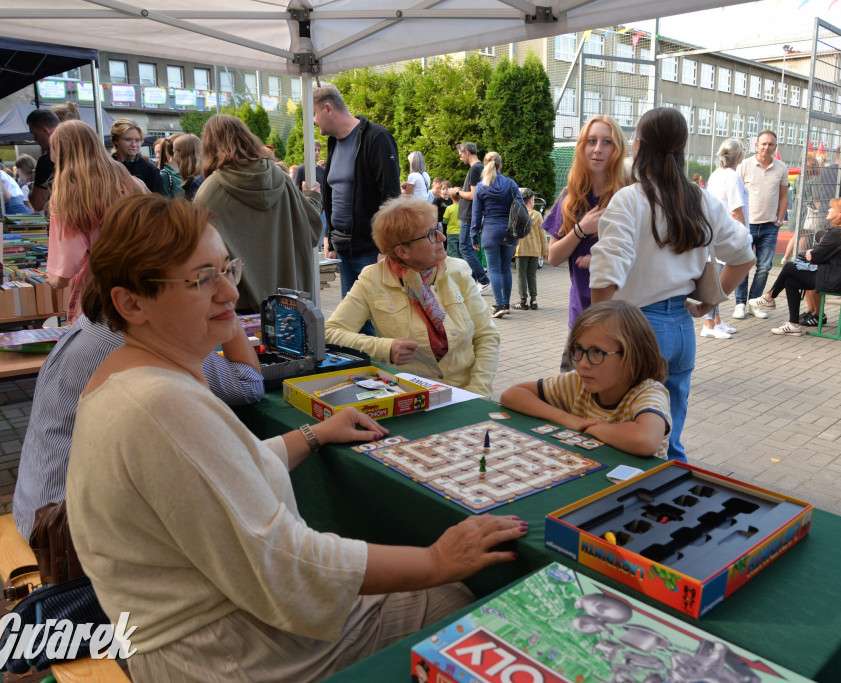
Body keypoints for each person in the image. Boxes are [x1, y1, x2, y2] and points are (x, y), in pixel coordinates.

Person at [65, 193, 525, 681]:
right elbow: (289, 563)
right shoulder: (160, 402)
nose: (227, 293)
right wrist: (436, 560)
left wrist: (310, 435)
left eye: (226, 268)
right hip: (222, 655)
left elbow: (219, 473)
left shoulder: (129, 373)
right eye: (202, 279)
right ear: (131, 303)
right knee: (457, 603)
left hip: (196, 637)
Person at [13, 307, 264, 540]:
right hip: (68, 533)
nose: (225, 290)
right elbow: (248, 384)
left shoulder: (94, 323)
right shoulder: (147, 342)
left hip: (35, 506)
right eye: (200, 278)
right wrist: (225, 311)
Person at [590, 107, 754, 462]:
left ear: (638, 145)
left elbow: (604, 279)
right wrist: (711, 303)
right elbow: (744, 253)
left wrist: (596, 337)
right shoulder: (700, 200)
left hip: (638, 331)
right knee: (669, 434)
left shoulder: (630, 200)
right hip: (681, 330)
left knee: (632, 438)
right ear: (681, 149)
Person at [326, 196, 500, 396]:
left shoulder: (458, 271)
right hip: (408, 397)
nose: (442, 237)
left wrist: (477, 392)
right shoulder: (373, 279)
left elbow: (487, 336)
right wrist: (384, 348)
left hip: (465, 391)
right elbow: (330, 332)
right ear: (402, 251)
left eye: (438, 228)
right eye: (431, 234)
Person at [500, 301, 671, 458]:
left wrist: (594, 428)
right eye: (578, 349)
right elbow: (511, 395)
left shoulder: (648, 392)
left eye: (597, 352)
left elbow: (645, 441)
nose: (582, 363)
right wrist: (569, 420)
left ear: (632, 356)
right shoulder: (577, 382)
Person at [195, 115, 323, 313]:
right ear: (248, 138)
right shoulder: (281, 177)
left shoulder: (209, 192)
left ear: (209, 147)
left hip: (240, 303)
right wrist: (312, 197)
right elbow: (310, 230)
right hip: (289, 301)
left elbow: (198, 254)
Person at [544, 115, 631, 370]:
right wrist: (581, 230)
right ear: (581, 147)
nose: (597, 149)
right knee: (570, 396)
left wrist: (606, 259)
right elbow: (554, 257)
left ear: (618, 149)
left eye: (607, 142)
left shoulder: (629, 195)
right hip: (581, 316)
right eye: (591, 141)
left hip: (622, 320)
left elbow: (647, 252)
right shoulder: (570, 197)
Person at [46, 120, 145, 321]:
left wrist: (53, 279)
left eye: (52, 148)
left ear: (61, 151)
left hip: (99, 283)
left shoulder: (68, 192)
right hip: (139, 273)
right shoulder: (125, 178)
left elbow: (67, 265)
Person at [315, 82, 401, 299]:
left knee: (372, 320)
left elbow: (390, 196)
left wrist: (386, 248)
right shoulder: (333, 142)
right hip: (343, 249)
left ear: (328, 109)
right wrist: (330, 240)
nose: (313, 122)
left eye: (314, 114)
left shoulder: (376, 137)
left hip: (371, 250)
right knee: (354, 321)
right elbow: (332, 193)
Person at [749, 197, 841, 336]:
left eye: (832, 207)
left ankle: (769, 297)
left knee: (789, 267)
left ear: (840, 212)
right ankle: (793, 324)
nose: (828, 209)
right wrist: (814, 253)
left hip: (836, 280)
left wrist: (811, 253)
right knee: (790, 281)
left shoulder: (838, 232)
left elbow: (817, 257)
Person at [734, 130, 789, 320]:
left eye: (771, 144)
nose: (767, 147)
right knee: (743, 265)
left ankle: (754, 303)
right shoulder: (744, 166)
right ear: (756, 145)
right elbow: (736, 194)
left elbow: (783, 196)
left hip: (769, 226)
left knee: (764, 267)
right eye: (763, 144)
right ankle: (740, 303)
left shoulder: (781, 167)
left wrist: (779, 220)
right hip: (746, 225)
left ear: (775, 147)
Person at [701, 137, 749, 339]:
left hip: (715, 231)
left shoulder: (715, 174)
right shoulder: (732, 176)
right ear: (739, 156)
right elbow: (736, 210)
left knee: (716, 277)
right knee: (718, 280)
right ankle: (708, 323)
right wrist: (744, 234)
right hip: (726, 233)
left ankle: (716, 320)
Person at [471, 151, 521, 318]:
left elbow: (476, 214)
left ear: (485, 166)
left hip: (490, 231)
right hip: (509, 231)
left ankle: (499, 305)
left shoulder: (481, 187)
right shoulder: (511, 184)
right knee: (505, 268)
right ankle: (506, 303)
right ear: (501, 166)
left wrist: (473, 235)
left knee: (493, 269)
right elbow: (521, 206)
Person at [449, 142, 492, 293]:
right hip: (470, 213)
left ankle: (483, 279)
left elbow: (474, 195)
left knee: (465, 247)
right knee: (469, 247)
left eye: (460, 154)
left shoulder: (475, 169)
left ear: (466, 152)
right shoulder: (480, 168)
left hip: (469, 214)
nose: (460, 158)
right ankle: (474, 281)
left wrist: (457, 192)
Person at [110, 117, 164, 195]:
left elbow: (160, 200)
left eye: (137, 140)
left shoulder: (149, 169)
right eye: (128, 140)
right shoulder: (107, 166)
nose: (134, 145)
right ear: (115, 140)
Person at [513, 188, 547, 311]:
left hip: (521, 250)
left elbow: (513, 232)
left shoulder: (517, 214)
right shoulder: (537, 215)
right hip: (535, 250)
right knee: (532, 275)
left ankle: (523, 301)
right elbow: (542, 235)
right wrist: (544, 251)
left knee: (521, 276)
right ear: (531, 200)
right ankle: (534, 300)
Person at [25, 108, 60, 212]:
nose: (35, 139)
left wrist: (31, 188)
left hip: (65, 222)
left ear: (46, 131)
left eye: (35, 134)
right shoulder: (85, 152)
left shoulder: (48, 160)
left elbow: (38, 203)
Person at [173, 133, 204, 200]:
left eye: (174, 152)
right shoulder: (204, 176)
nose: (173, 157)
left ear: (182, 153)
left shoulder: (195, 183)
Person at [442, 185, 461, 258]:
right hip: (461, 232)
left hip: (451, 233)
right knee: (461, 252)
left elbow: (445, 221)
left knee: (453, 251)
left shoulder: (449, 208)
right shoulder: (463, 208)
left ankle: (455, 267)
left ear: (451, 197)